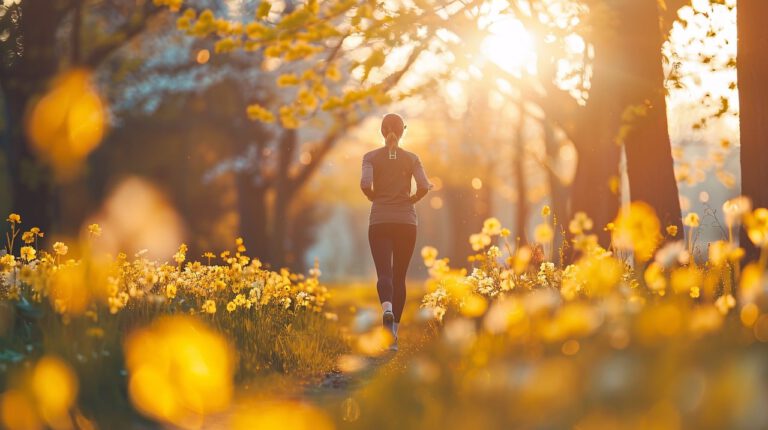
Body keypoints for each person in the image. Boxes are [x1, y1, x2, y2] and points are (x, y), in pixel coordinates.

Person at [360, 113, 432, 351]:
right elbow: (424, 186)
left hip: (379, 220)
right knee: (399, 276)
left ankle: (387, 309)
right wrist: (411, 199)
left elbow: (364, 184)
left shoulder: (370, 157)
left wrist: (374, 197)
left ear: (382, 132)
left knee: (384, 274)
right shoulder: (412, 159)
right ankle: (393, 337)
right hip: (406, 222)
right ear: (403, 131)